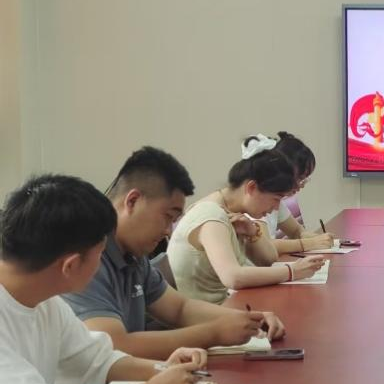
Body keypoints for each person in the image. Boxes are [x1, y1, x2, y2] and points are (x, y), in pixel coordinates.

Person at [0, 175, 206, 384]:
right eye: (100, 254)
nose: (102, 264)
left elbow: (97, 359)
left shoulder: (46, 302)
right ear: (71, 265)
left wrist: (162, 370)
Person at [62, 147, 287, 360]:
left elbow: (180, 309)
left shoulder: (133, 253)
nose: (168, 231)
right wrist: (214, 333)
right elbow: (116, 345)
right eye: (168, 216)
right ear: (132, 201)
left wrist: (247, 319)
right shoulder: (87, 256)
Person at [167, 148, 325, 303]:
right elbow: (233, 277)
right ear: (251, 188)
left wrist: (253, 233)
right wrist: (292, 271)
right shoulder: (210, 215)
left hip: (226, 305)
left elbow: (268, 259)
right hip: (210, 313)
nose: (276, 208)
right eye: (276, 199)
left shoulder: (234, 214)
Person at [241, 133, 334, 253]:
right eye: (300, 178)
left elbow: (296, 231)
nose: (301, 185)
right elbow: (264, 246)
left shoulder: (275, 199)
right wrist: (309, 243)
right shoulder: (259, 197)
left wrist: (319, 239)